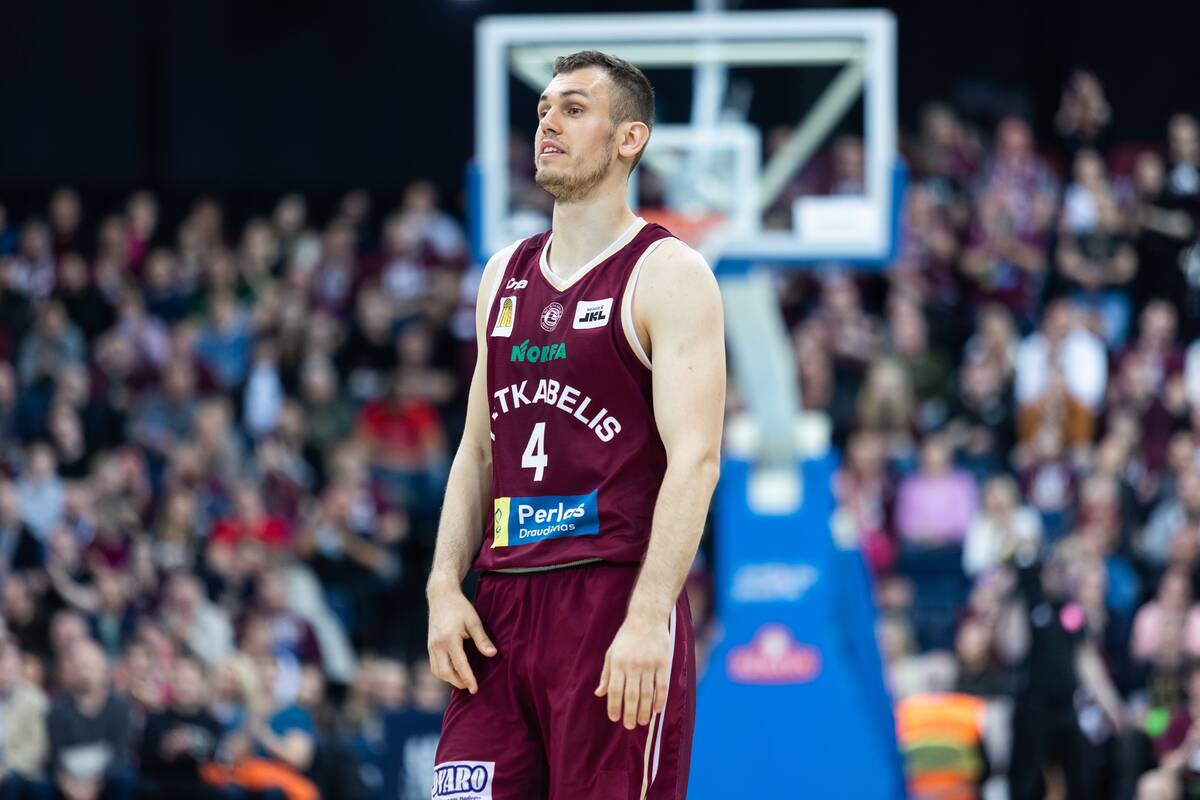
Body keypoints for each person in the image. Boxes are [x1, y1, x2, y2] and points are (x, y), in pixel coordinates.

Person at [426, 50, 725, 799]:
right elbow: (477, 451)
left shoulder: (669, 273)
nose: (548, 123)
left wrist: (649, 616)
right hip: (501, 607)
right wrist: (442, 585)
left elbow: (696, 460)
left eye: (573, 109)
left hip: (610, 597)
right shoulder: (501, 275)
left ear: (629, 138)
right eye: (543, 110)